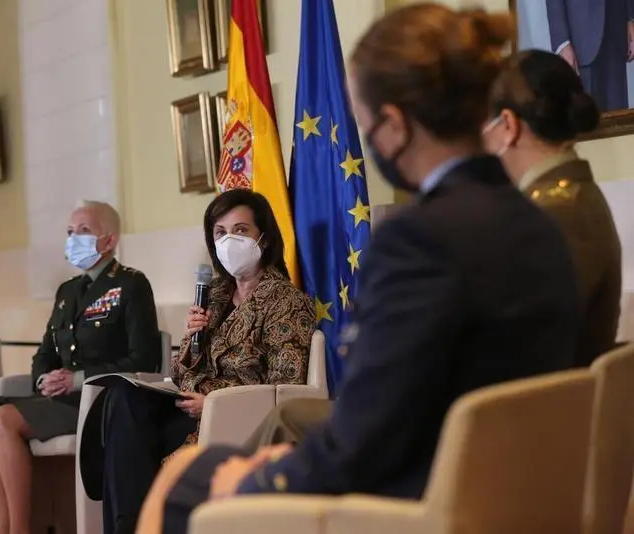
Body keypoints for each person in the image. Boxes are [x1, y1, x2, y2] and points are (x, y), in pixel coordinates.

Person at [135, 5, 582, 534]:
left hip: (420, 495)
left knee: (186, 476)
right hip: (513, 489)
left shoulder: (417, 241)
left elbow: (365, 435)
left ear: (393, 126)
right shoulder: (541, 225)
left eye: (362, 120)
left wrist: (257, 477)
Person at [79, 189, 315, 534]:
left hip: (230, 416)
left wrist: (214, 403)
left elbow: (287, 385)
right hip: (187, 404)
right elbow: (180, 372)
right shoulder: (215, 294)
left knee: (128, 439)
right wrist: (192, 337)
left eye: (240, 230)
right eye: (220, 233)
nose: (229, 240)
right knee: (120, 398)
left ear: (263, 237)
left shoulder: (286, 301)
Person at [0, 201, 162, 534]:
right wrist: (44, 378)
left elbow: (143, 359)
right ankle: (1, 525)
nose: (74, 239)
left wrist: (76, 379)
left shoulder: (130, 285)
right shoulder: (68, 291)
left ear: (109, 240)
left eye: (84, 231)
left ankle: (20, 529)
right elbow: (45, 353)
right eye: (70, 232)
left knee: (0, 421)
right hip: (59, 397)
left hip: (96, 399)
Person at [483, 49, 622, 367]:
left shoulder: (550, 215)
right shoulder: (570, 197)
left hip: (542, 409)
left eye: (483, 123)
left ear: (508, 125)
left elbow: (516, 344)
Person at [545, 0, 634, 112]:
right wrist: (562, 42)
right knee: (586, 116)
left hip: (616, 27)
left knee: (618, 116)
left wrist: (630, 18)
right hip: (581, 36)